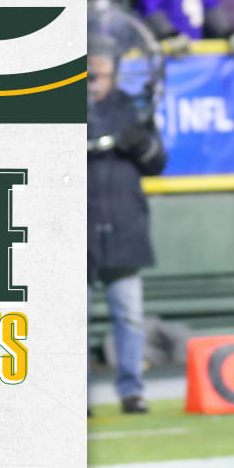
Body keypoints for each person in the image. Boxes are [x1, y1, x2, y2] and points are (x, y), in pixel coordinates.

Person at [87, 42, 168, 416]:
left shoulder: (132, 109)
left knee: (130, 317)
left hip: (124, 226)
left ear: (114, 73)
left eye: (99, 72)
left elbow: (157, 163)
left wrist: (141, 144)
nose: (92, 80)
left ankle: (132, 392)